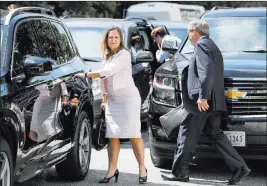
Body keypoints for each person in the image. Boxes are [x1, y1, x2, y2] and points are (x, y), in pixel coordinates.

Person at [161, 20, 251, 185]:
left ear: (194, 31)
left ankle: (180, 173)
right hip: (214, 101)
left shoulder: (201, 46)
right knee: (214, 133)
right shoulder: (212, 45)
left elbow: (206, 72)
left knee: (186, 133)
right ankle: (240, 167)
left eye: (189, 33)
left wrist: (202, 97)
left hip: (201, 102)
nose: (189, 37)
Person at [74, 26, 147, 184]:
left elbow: (106, 72)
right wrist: (105, 100)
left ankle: (142, 167)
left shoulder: (124, 54)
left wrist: (85, 74)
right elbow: (105, 81)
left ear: (120, 40)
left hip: (128, 98)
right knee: (112, 135)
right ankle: (112, 169)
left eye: (116, 37)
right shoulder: (106, 56)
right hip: (113, 100)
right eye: (110, 37)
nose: (113, 40)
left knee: (134, 134)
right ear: (106, 40)